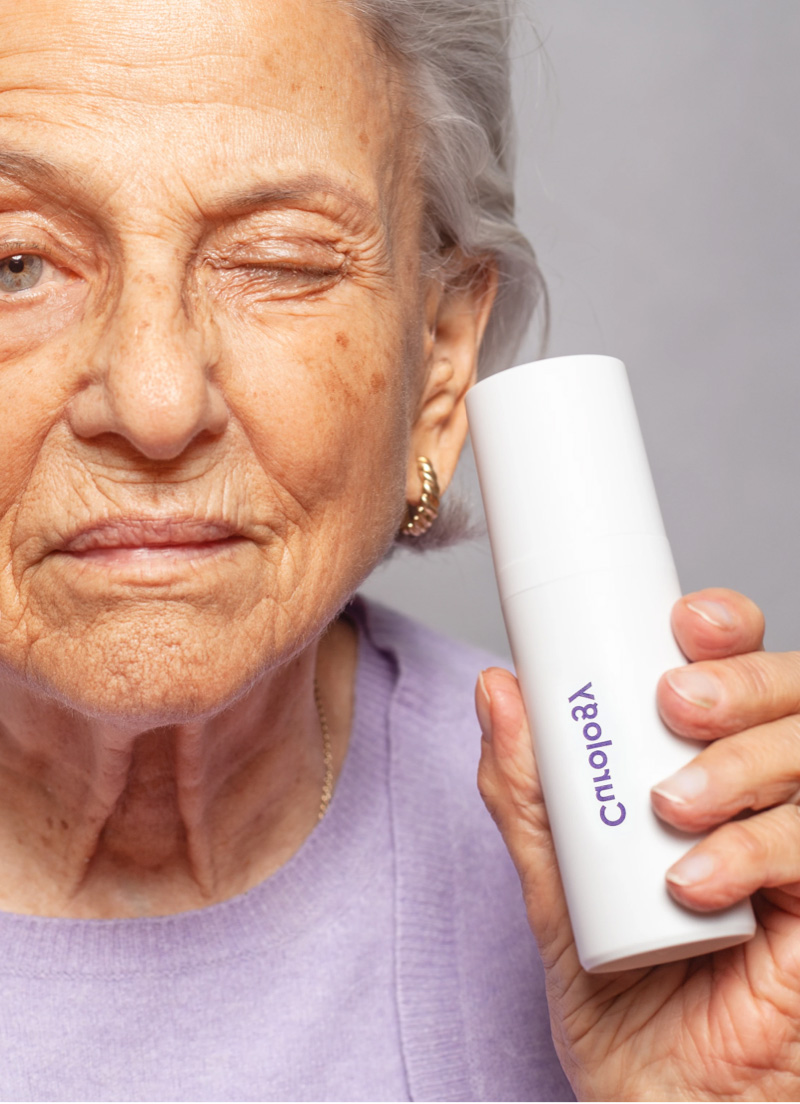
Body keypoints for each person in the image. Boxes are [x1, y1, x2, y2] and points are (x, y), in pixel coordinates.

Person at [0, 0, 798, 1099]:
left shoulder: (623, 859)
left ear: (439, 363)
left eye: (279, 261)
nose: (156, 402)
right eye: (13, 263)